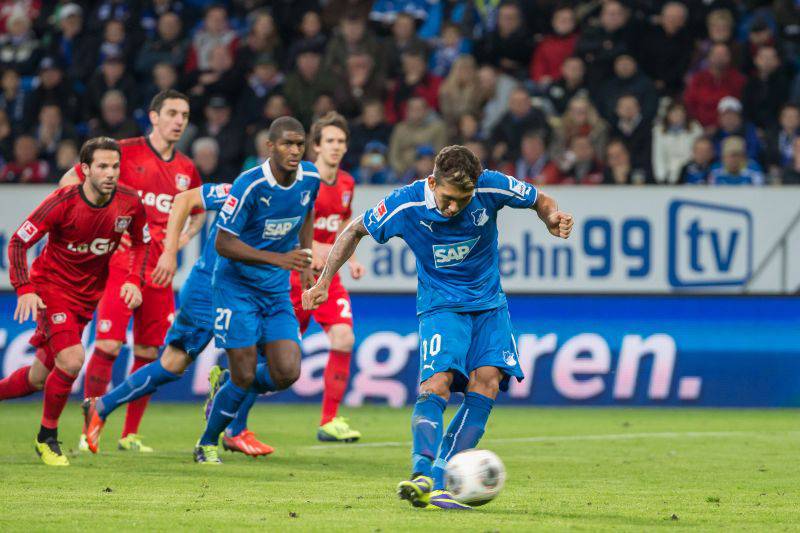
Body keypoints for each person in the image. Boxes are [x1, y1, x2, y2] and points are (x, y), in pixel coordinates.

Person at [303, 145, 573, 510]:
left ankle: (443, 478)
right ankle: (421, 474)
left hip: (490, 305)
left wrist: (550, 217)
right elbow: (355, 230)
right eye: (447, 198)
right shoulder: (405, 204)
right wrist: (323, 282)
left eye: (462, 200)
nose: (453, 208)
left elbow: (540, 198)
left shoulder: (490, 186)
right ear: (433, 182)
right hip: (441, 307)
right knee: (437, 385)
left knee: (488, 382)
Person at [82, 181, 273, 458]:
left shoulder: (295, 200)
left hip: (244, 292)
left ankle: (233, 429)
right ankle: (101, 406)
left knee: (270, 356)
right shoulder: (242, 189)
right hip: (208, 289)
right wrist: (171, 251)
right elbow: (184, 199)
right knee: (173, 364)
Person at [60, 90, 204, 453]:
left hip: (160, 268)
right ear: (153, 117)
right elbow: (67, 183)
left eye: (184, 115)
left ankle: (129, 434)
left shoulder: (187, 169)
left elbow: (199, 214)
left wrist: (178, 244)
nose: (178, 121)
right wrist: (98, 225)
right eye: (171, 113)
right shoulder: (123, 152)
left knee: (149, 349)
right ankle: (87, 426)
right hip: (120, 263)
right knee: (108, 343)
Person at [2, 137, 148, 466]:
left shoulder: (128, 202)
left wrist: (133, 280)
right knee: (71, 361)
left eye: (115, 166)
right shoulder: (62, 201)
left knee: (39, 378)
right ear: (85, 170)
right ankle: (47, 438)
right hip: (51, 289)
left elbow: (141, 241)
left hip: (86, 298)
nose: (111, 173)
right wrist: (24, 287)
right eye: (102, 167)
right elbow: (17, 242)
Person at [194, 116, 318, 464]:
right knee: (246, 372)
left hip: (275, 291)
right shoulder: (249, 185)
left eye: (299, 143)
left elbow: (306, 213)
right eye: (287, 144)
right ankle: (207, 442)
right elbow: (222, 242)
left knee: (287, 371)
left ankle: (228, 387)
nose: (294, 150)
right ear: (270, 147)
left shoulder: (310, 178)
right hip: (237, 288)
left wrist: (305, 260)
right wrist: (278, 258)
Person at [289, 112, 366, 442]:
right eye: (330, 141)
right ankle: (231, 411)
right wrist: (315, 246)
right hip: (293, 276)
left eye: (341, 141)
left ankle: (328, 421)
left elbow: (345, 227)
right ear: (316, 147)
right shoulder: (302, 178)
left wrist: (352, 259)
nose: (336, 147)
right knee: (279, 361)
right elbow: (286, 225)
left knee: (344, 339)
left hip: (327, 279)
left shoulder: (347, 183)